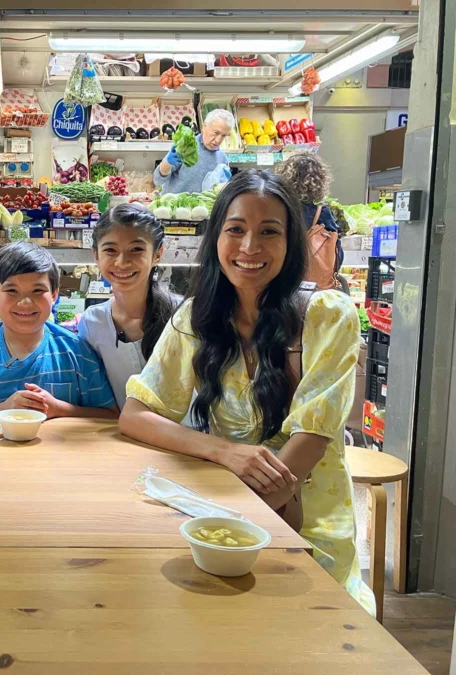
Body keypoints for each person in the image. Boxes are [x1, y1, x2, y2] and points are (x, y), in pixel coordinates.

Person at [118, 170, 374, 614]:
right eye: (236, 229)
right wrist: (225, 452)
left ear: (291, 243)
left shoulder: (328, 315)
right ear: (216, 238)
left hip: (305, 531)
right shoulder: (196, 318)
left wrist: (227, 527)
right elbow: (136, 415)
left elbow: (310, 443)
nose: (250, 246)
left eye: (269, 232)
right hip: (222, 513)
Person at [0, 242, 118, 418]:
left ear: (54, 295)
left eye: (37, 290)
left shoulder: (78, 353)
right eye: (12, 291)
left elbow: (110, 416)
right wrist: (1, 410)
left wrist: (59, 409)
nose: (25, 302)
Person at [77, 204, 177, 409]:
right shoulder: (92, 323)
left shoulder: (184, 316)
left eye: (136, 249)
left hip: (183, 429)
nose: (122, 262)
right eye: (110, 250)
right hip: (118, 429)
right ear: (96, 255)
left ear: (157, 254)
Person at [275, 152, 345, 290]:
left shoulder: (277, 211)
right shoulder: (322, 213)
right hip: (314, 288)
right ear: (320, 182)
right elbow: (336, 253)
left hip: (281, 284)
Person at [154, 109, 233, 195]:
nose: (218, 140)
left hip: (202, 204)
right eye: (216, 133)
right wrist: (167, 163)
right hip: (173, 202)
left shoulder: (222, 159)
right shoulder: (186, 145)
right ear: (204, 126)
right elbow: (157, 180)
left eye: (223, 135)